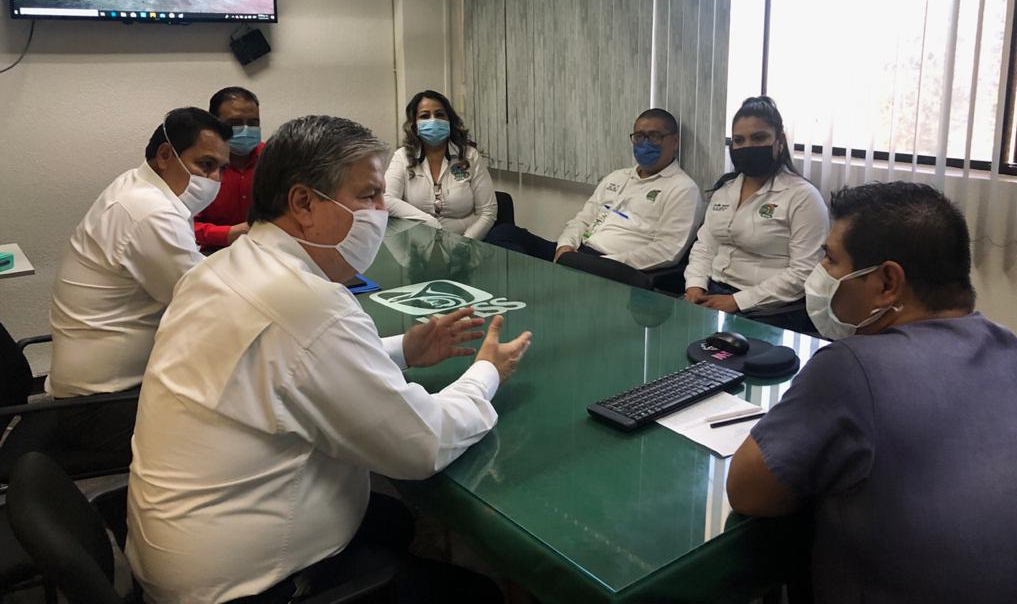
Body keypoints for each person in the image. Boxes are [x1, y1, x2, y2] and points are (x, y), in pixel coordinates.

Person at [126, 115, 531, 603]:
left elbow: (289, 366)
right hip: (246, 588)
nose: (381, 211)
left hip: (180, 550)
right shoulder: (309, 307)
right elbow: (422, 444)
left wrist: (404, 349)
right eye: (368, 196)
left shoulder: (222, 268)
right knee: (475, 593)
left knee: (394, 521)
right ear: (303, 203)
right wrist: (486, 373)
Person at [727, 182, 1017, 602]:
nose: (819, 273)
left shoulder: (850, 366)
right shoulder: (1012, 347)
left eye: (831, 259)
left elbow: (748, 492)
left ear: (887, 283)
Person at [17, 108, 230, 474]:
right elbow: (208, 305)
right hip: (101, 410)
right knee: (244, 422)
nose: (214, 179)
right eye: (206, 165)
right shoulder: (150, 211)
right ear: (166, 155)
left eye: (220, 169)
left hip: (91, 393)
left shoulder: (136, 186)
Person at [487, 108, 702, 271]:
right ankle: (533, 283)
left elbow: (667, 251)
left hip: (614, 266)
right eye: (639, 136)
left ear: (674, 141)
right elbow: (583, 219)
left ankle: (540, 282)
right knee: (503, 233)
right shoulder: (618, 176)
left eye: (654, 136)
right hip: (577, 252)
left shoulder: (682, 189)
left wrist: (605, 263)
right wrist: (565, 247)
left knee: (558, 271)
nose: (645, 143)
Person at [683, 96, 828, 333]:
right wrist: (695, 286)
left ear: (779, 141)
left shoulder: (803, 196)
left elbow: (805, 272)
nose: (747, 147)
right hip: (711, 294)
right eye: (739, 140)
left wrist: (738, 301)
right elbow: (705, 246)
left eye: (759, 138)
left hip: (766, 309)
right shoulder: (725, 190)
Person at [385, 90, 497, 240]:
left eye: (439, 114)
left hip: (464, 243)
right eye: (425, 116)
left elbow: (488, 212)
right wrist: (429, 221)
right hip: (418, 245)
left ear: (449, 120)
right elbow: (386, 199)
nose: (433, 121)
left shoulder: (470, 156)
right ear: (415, 125)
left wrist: (465, 243)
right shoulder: (402, 156)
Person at [194, 86, 264, 252]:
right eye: (235, 123)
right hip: (214, 252)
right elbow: (183, 224)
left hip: (265, 248)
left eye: (253, 123)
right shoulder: (197, 164)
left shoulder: (274, 158)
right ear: (214, 124)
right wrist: (227, 233)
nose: (246, 130)